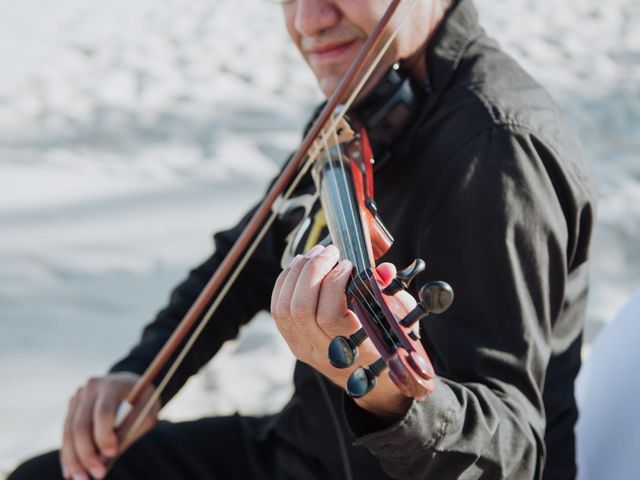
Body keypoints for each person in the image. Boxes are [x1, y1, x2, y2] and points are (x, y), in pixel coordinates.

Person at [9, 0, 595, 479]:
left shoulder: (496, 150)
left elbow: (518, 454)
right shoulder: (361, 97)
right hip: (304, 453)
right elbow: (245, 259)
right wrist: (143, 376)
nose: (308, 19)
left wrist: (391, 399)